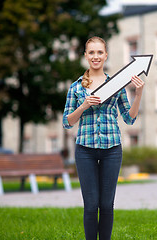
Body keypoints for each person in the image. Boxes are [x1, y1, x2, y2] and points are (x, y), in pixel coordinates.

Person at [62, 36, 144, 240]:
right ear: (85, 56)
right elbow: (67, 122)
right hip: (85, 150)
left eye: (100, 52)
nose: (96, 56)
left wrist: (139, 93)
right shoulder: (76, 87)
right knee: (91, 206)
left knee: (107, 205)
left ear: (106, 55)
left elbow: (129, 118)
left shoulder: (117, 84)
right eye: (91, 52)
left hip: (112, 149)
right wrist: (83, 106)